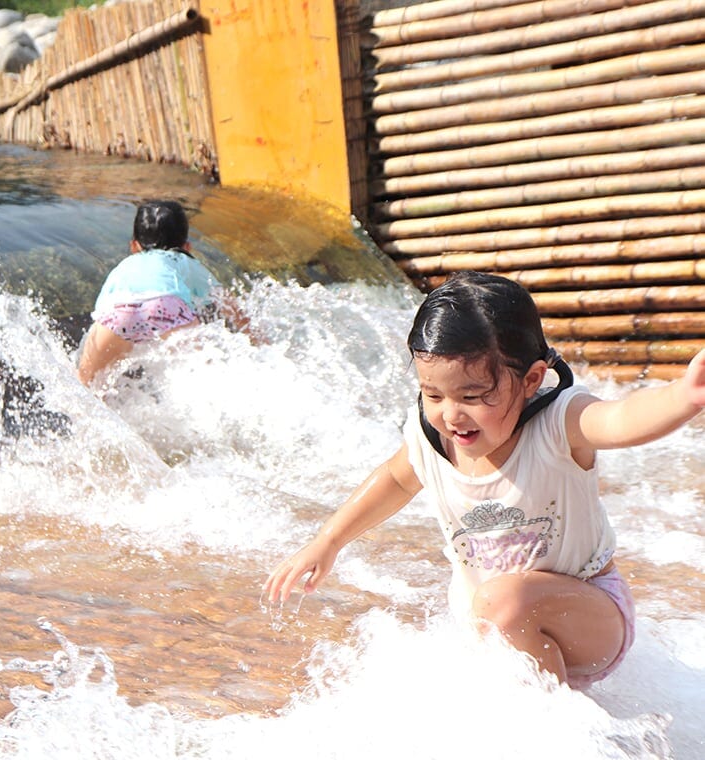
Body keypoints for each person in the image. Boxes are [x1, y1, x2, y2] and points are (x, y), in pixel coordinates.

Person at [264, 271, 705, 688]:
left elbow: (619, 419)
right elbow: (395, 481)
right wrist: (330, 539)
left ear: (532, 379)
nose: (451, 414)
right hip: (497, 625)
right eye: (433, 394)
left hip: (589, 616)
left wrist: (683, 397)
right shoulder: (430, 438)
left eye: (474, 396)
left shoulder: (558, 424)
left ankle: (558, 733)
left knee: (503, 602)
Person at [77, 199, 246, 386]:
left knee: (86, 385)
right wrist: (258, 339)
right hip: (166, 308)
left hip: (117, 315)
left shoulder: (122, 268)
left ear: (133, 245)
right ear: (187, 247)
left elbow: (102, 310)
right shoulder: (182, 259)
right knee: (207, 380)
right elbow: (225, 300)